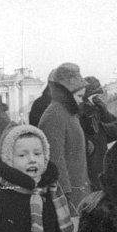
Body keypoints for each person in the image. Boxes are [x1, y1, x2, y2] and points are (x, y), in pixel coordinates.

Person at [35, 63, 90, 212]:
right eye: (79, 96)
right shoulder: (54, 116)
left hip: (77, 191)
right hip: (68, 198)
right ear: (66, 93)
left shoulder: (68, 113)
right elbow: (55, 160)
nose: (81, 101)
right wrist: (65, 196)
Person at [76, 76, 117, 188]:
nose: (98, 99)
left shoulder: (99, 112)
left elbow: (116, 133)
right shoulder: (79, 112)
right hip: (87, 167)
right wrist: (87, 112)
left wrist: (104, 114)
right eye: (95, 96)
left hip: (100, 164)